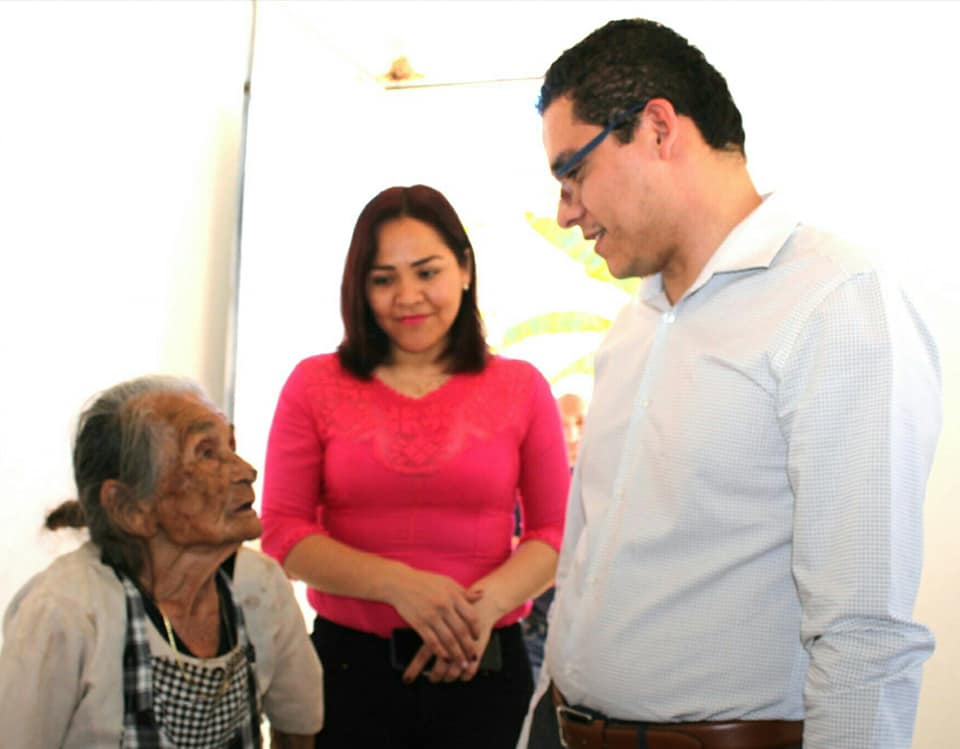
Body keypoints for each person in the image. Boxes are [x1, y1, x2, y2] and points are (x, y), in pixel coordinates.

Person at [520, 18, 942, 749]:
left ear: (657, 128)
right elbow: (584, 570)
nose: (565, 210)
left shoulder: (834, 302)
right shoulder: (633, 329)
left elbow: (865, 634)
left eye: (573, 171)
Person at [260, 184, 570, 748]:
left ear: (465, 269)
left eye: (427, 272)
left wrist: (478, 612)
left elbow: (557, 532)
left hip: (485, 666)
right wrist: (400, 586)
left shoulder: (522, 387)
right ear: (360, 287)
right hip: (348, 673)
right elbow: (284, 532)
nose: (408, 296)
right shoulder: (313, 385)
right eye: (384, 279)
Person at [0, 375, 324, 748]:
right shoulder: (65, 612)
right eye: (206, 453)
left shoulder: (260, 586)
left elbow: (297, 727)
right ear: (130, 508)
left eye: (230, 447)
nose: (246, 471)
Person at [522, 392, 584, 682]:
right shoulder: (526, 482)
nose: (571, 435)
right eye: (562, 424)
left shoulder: (603, 487)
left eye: (581, 422)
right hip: (533, 628)